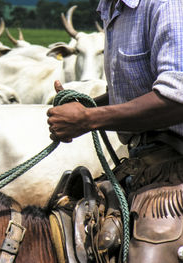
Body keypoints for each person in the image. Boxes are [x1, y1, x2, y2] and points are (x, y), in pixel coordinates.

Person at [47, 0, 183, 262]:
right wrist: (87, 107)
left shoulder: (165, 4)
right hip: (141, 163)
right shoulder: (110, 8)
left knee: (149, 254)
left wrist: (88, 118)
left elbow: (177, 98)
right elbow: (134, 93)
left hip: (176, 163)